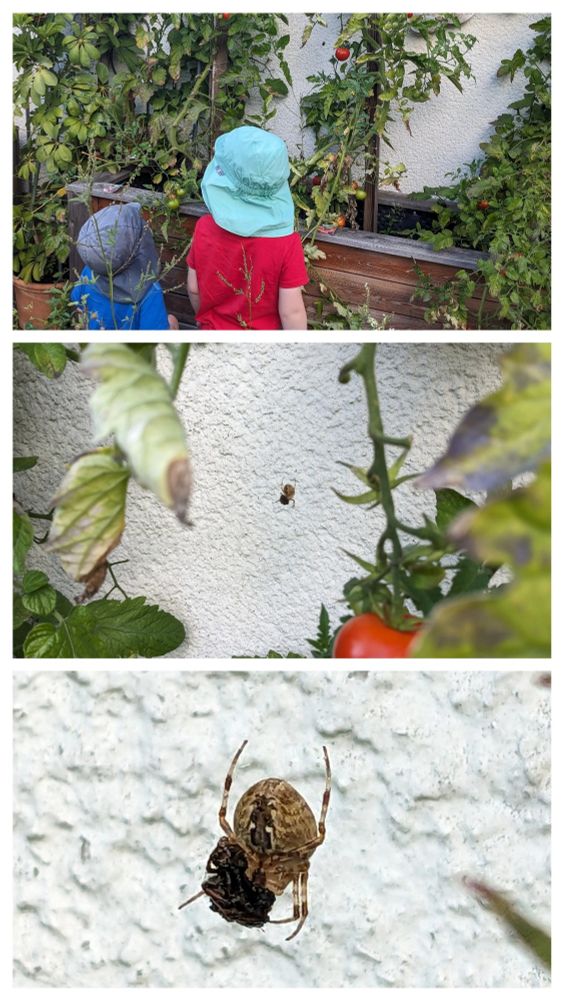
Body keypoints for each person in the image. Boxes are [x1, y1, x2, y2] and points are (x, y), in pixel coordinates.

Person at [187, 126, 309, 330]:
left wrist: (203, 321)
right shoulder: (287, 244)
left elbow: (193, 288)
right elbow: (291, 312)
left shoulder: (204, 228)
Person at [71, 202, 178, 330]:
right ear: (141, 248)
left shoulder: (89, 272)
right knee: (172, 321)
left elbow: (80, 309)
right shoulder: (149, 291)